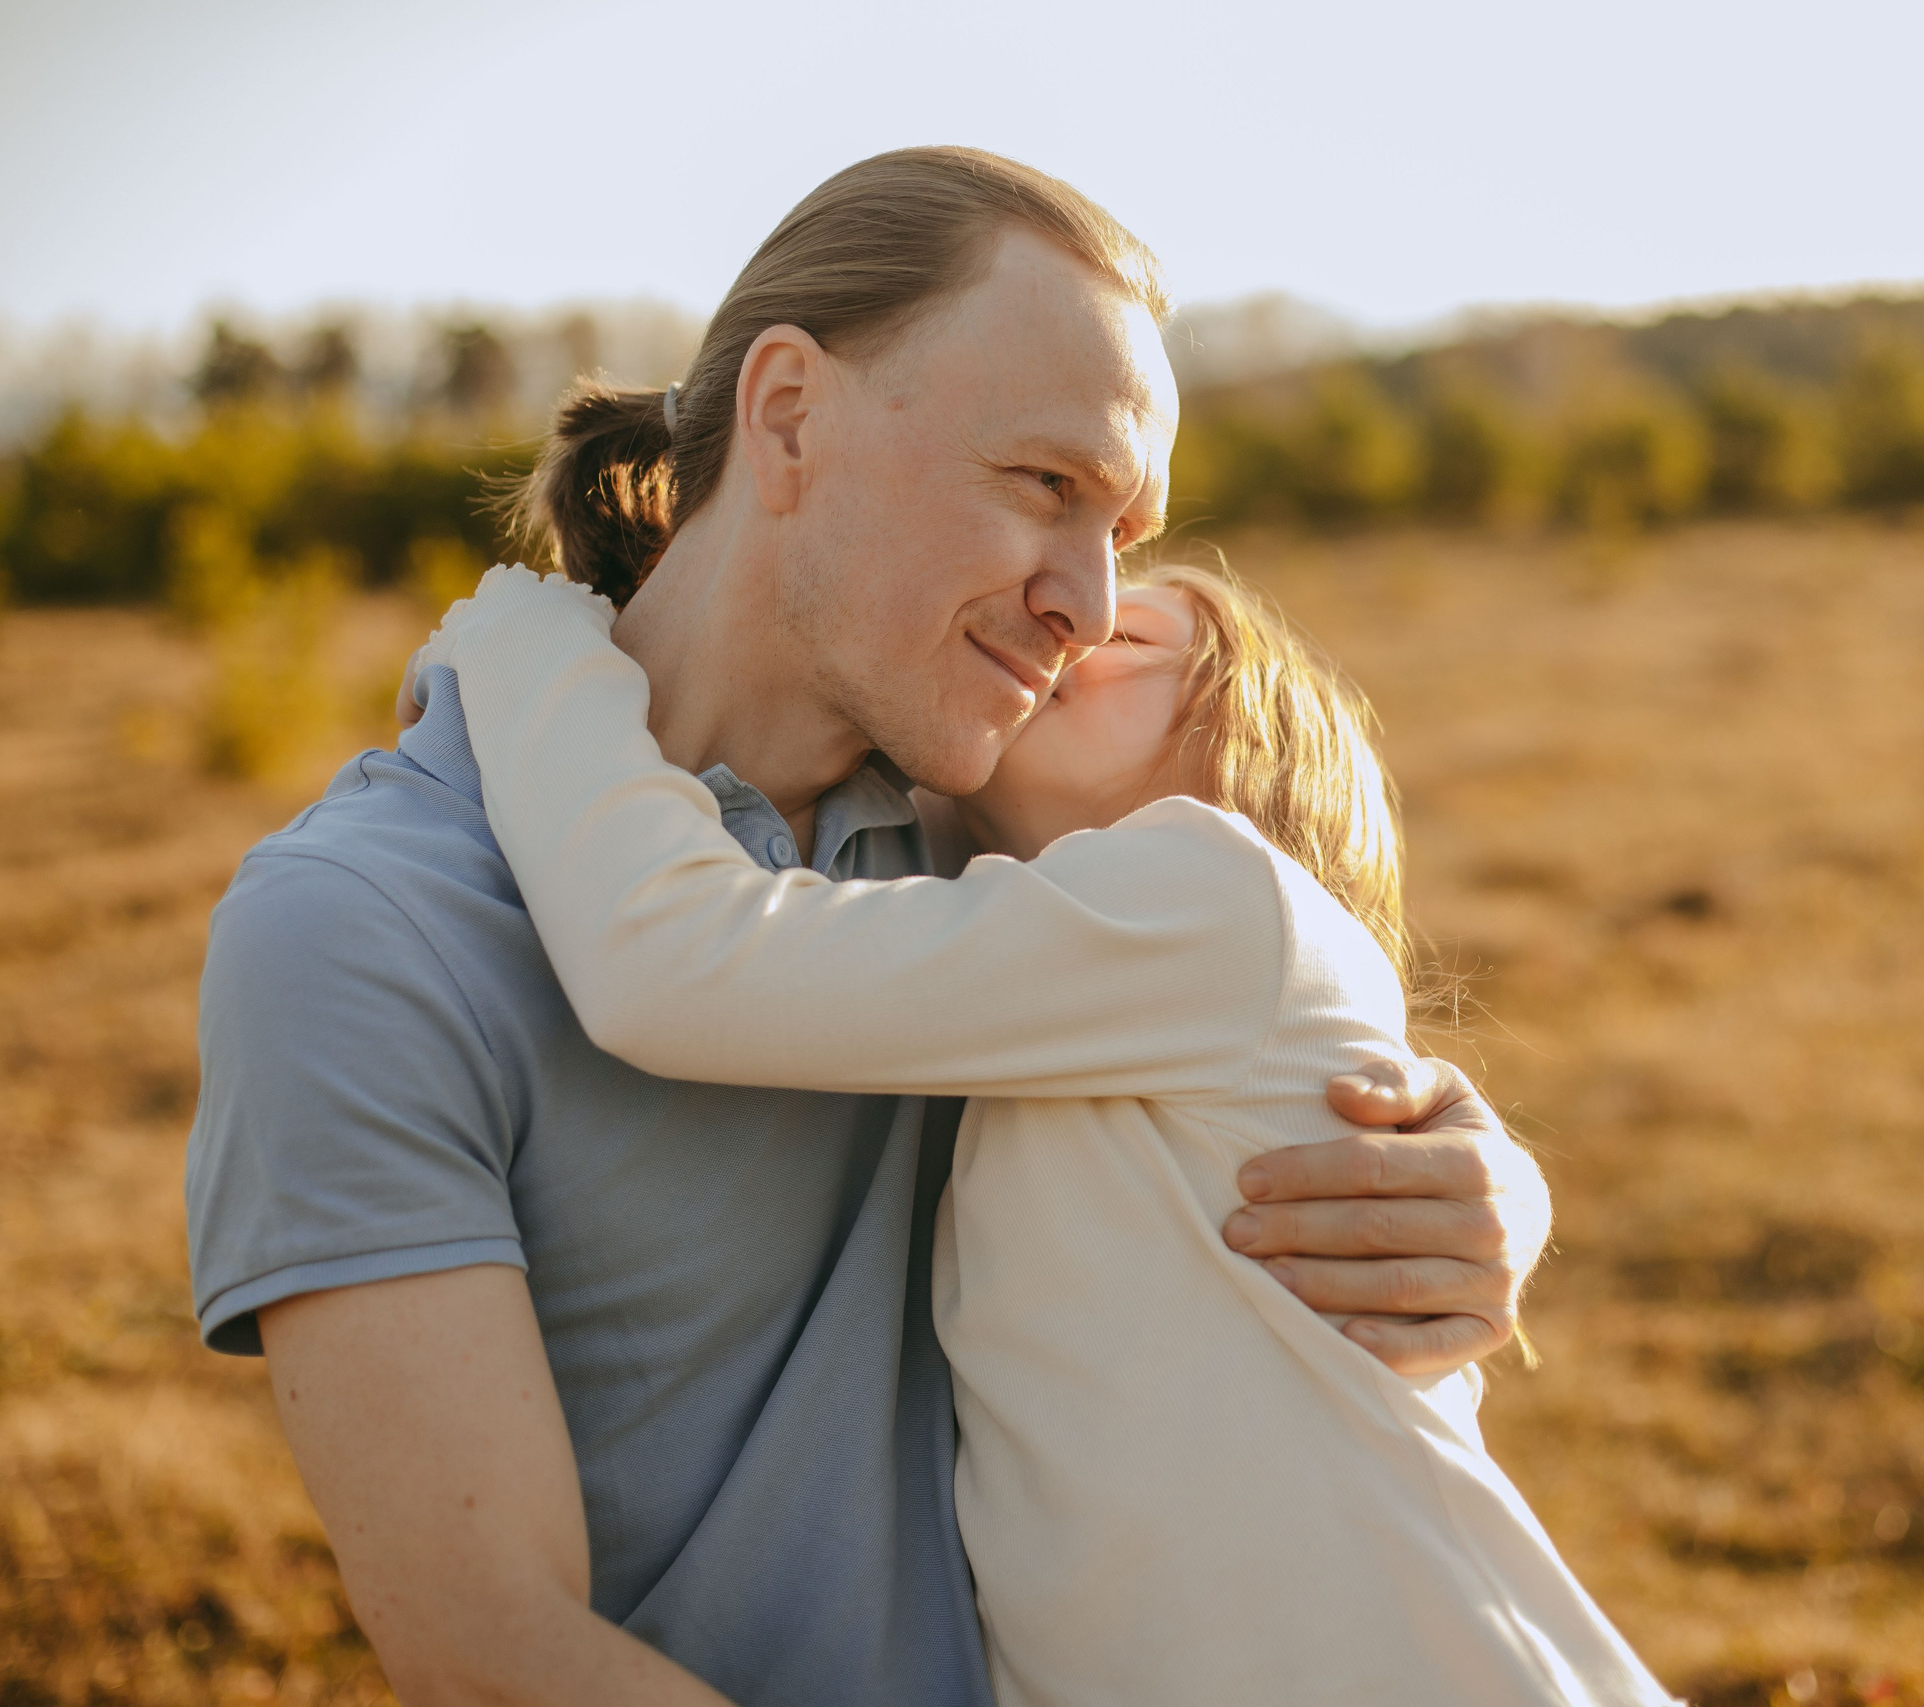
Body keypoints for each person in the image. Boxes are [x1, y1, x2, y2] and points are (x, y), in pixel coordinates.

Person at [185, 146, 1550, 1707]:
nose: (1096, 606)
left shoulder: (989, 832)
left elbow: (1253, 1004)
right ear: (787, 417)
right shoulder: (366, 930)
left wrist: (1470, 1171)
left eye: (1129, 528)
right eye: (1048, 485)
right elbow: (495, 1647)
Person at [419, 557, 1675, 1707]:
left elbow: (672, 961)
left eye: (1130, 630)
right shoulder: (1023, 1005)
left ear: (1254, 745)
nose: (1066, 629)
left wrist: (527, 637)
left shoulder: (1215, 888)